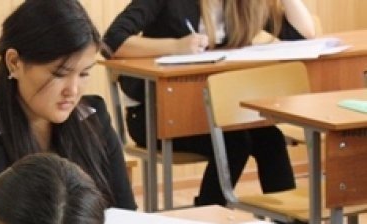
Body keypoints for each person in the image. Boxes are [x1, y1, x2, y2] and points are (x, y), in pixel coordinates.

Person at [0, 0, 136, 224]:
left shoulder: (93, 117)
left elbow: (126, 215)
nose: (73, 90)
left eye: (84, 74)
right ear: (14, 63)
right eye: (59, 74)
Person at [103, 0, 316, 207]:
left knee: (270, 138)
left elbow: (302, 36)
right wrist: (175, 46)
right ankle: (208, 212)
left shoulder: (245, 4)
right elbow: (112, 41)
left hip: (212, 113)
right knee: (234, 142)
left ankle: (292, 223)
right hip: (153, 116)